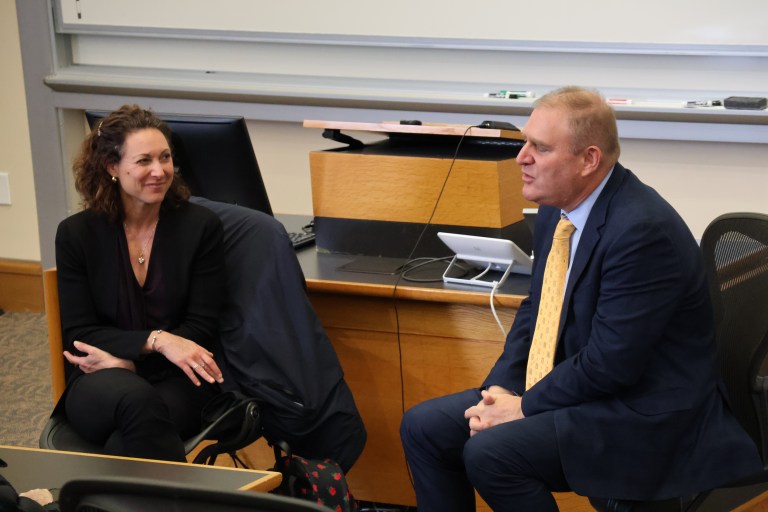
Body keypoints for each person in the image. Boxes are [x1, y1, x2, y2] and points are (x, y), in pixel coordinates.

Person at [399, 86, 762, 510]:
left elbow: (612, 364)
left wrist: (524, 408)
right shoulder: (559, 206)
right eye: (524, 143)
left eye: (540, 148)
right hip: (584, 389)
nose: (521, 158)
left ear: (588, 159)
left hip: (645, 413)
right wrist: (501, 390)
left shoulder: (642, 232)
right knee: (423, 426)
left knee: (493, 454)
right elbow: (538, 311)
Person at [54, 104, 226, 462]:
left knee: (128, 438)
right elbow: (79, 333)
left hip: (180, 378)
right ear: (112, 167)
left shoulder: (200, 227)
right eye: (144, 160)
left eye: (165, 158)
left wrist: (132, 364)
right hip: (99, 374)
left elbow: (202, 327)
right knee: (135, 402)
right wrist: (157, 341)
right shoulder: (76, 235)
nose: (159, 171)